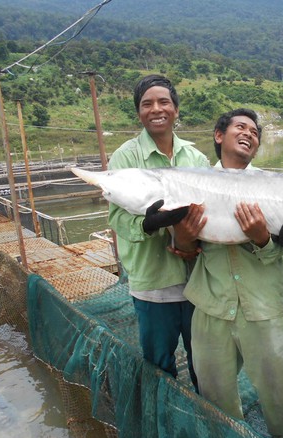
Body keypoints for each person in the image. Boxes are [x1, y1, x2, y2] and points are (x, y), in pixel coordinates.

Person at [175, 108, 283, 438]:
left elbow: (278, 251)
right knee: (214, 385)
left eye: (255, 132)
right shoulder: (193, 184)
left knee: (279, 378)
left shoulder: (275, 187)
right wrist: (185, 236)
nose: (249, 134)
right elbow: (186, 251)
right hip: (211, 303)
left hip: (261, 301)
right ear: (219, 136)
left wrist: (264, 239)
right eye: (241, 127)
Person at [107, 74, 209, 391]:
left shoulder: (196, 158)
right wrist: (147, 224)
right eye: (146, 103)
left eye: (163, 101)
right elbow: (116, 217)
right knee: (159, 367)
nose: (156, 109)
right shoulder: (126, 157)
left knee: (203, 364)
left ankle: (210, 427)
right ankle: (163, 426)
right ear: (139, 113)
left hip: (196, 282)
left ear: (176, 109)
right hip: (153, 284)